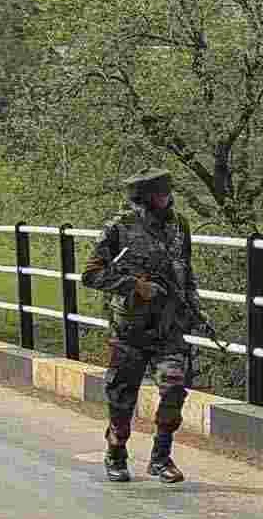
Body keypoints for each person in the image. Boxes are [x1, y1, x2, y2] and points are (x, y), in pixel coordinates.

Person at [81, 168, 200, 484]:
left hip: (169, 326)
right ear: (145, 197)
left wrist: (193, 309)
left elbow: (186, 271)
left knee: (174, 387)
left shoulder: (179, 226)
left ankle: (161, 458)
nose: (167, 197)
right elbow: (91, 275)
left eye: (167, 191)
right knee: (121, 399)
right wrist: (135, 286)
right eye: (160, 193)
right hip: (129, 330)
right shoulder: (119, 228)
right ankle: (116, 453)